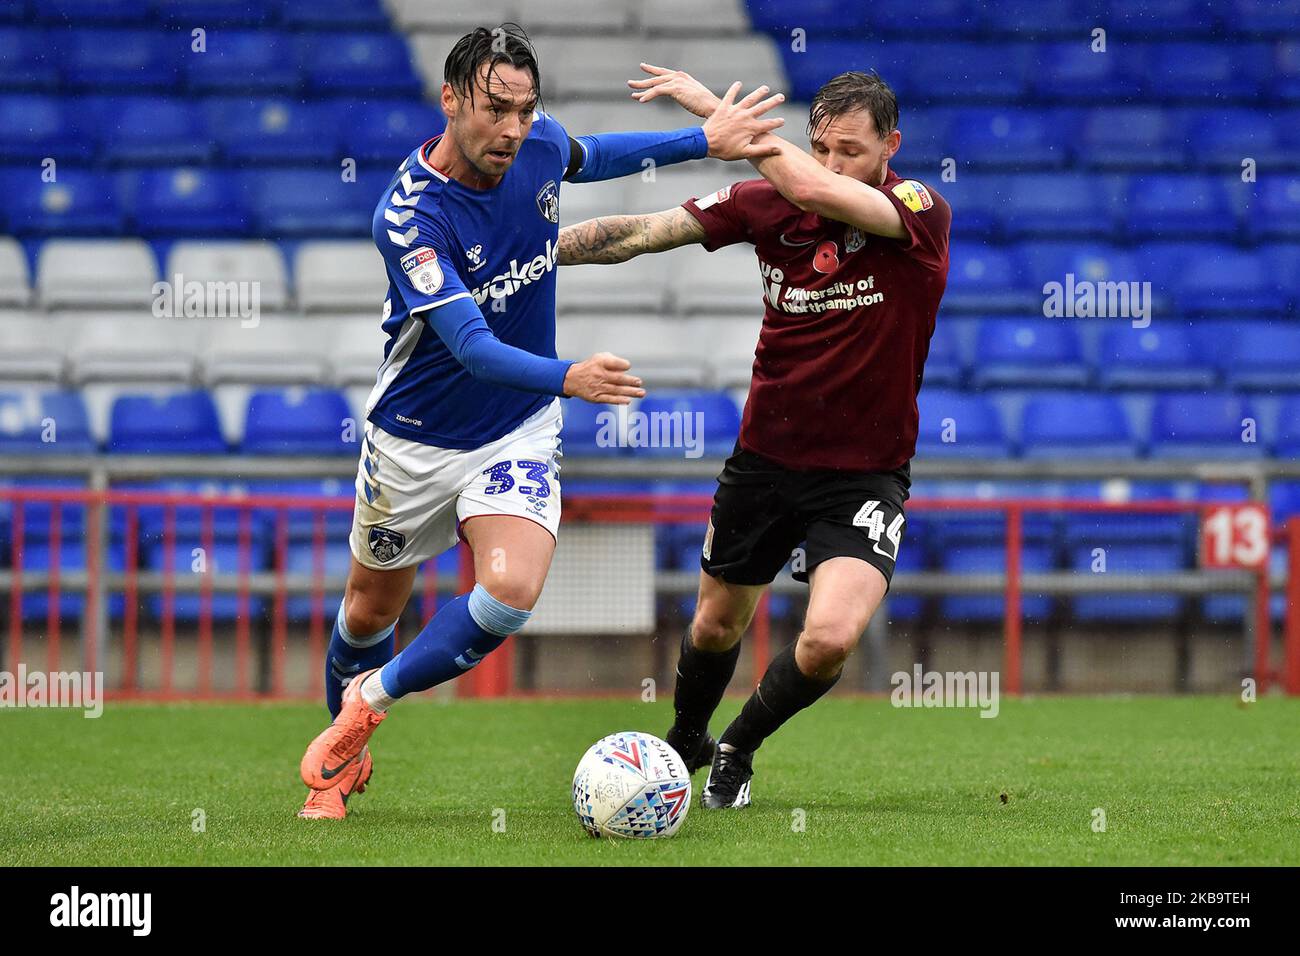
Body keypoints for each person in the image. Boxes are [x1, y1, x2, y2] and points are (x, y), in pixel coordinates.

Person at [295, 25, 784, 819]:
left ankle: (367, 705)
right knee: (367, 611)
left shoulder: (537, 146)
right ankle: (345, 754)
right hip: (416, 435)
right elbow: (472, 347)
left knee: (510, 592)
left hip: (515, 429)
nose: (515, 130)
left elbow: (596, 153)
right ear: (451, 99)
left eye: (527, 110)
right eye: (497, 109)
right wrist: (571, 377)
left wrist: (706, 139)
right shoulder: (409, 216)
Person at [557, 66, 951, 809]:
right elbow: (642, 233)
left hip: (864, 475)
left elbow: (817, 191)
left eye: (852, 150)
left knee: (828, 638)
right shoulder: (764, 202)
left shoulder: (918, 209)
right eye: (822, 148)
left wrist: (714, 116)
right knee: (715, 623)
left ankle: (738, 744)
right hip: (766, 460)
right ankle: (685, 739)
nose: (834, 164)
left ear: (890, 147)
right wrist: (535, 253)